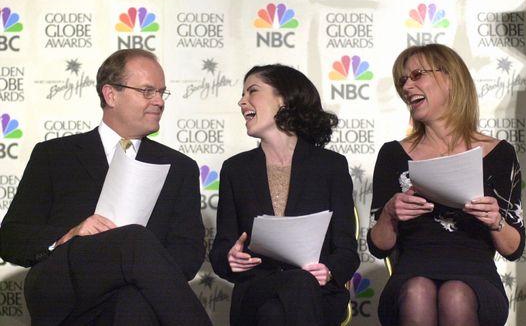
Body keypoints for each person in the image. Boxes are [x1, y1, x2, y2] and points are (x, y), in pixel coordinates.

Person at [0, 49, 212, 326]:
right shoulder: (54, 155)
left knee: (133, 300)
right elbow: (11, 239)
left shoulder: (180, 166)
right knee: (134, 239)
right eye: (147, 91)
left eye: (162, 92)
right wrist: (70, 232)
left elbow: (187, 253)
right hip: (64, 288)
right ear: (111, 94)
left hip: (138, 291)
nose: (159, 101)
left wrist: (138, 269)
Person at [368, 43, 525, 326]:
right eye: (402, 80)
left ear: (451, 79)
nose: (407, 86)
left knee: (455, 294)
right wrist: (390, 213)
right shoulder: (393, 154)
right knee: (417, 290)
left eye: (417, 75)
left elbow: (514, 248)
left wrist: (495, 221)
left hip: (476, 277)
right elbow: (378, 247)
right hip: (411, 274)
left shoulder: (500, 153)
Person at [209, 64, 360, 326]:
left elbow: (347, 250)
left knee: (277, 313)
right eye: (243, 94)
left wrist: (328, 270)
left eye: (252, 91)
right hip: (257, 289)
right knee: (286, 295)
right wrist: (230, 258)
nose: (242, 101)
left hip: (317, 292)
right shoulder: (236, 169)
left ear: (284, 99)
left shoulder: (330, 166)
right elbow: (222, 248)